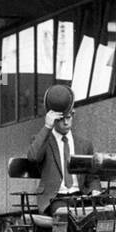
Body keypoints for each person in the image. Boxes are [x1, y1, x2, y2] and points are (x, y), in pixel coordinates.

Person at [27, 84, 100, 213]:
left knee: (100, 214)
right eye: (61, 119)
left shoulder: (84, 144)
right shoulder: (43, 140)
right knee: (64, 216)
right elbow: (33, 158)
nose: (66, 123)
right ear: (53, 120)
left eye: (68, 118)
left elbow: (92, 175)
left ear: (73, 115)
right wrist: (47, 127)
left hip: (80, 196)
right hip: (55, 199)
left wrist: (95, 190)